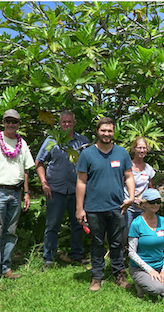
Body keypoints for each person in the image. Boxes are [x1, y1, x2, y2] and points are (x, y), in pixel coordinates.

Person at [76, 117, 135, 292]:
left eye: (109, 131)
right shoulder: (87, 154)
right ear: (97, 131)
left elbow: (129, 176)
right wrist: (80, 208)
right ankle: (97, 277)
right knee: (97, 243)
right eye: (103, 130)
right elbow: (80, 182)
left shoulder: (121, 153)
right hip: (94, 208)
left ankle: (119, 274)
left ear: (113, 132)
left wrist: (131, 197)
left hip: (117, 207)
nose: (107, 134)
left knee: (117, 243)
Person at [36, 111, 90, 267]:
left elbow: (88, 166)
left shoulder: (82, 141)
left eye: (69, 122)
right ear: (59, 124)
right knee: (52, 225)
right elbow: (38, 162)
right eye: (63, 122)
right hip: (55, 190)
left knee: (78, 224)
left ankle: (77, 255)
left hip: (76, 190)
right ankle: (49, 258)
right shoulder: (51, 140)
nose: (66, 124)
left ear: (74, 123)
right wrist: (44, 182)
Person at [0, 109, 34, 279]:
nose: (11, 124)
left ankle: (6, 268)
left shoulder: (22, 143)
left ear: (19, 124)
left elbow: (26, 170)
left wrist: (27, 193)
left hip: (16, 192)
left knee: (10, 232)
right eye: (8, 121)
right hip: (0, 191)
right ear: (3, 122)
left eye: (14, 121)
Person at [128, 189, 164, 298]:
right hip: (140, 268)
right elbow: (131, 252)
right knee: (157, 289)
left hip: (159, 267)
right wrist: (150, 271)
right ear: (144, 204)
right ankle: (140, 285)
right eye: (151, 202)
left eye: (158, 201)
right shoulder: (136, 223)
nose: (155, 204)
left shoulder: (163, 221)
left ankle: (156, 280)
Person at [124, 136, 155, 232]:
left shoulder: (149, 169)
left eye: (144, 148)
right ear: (134, 149)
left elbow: (150, 188)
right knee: (128, 233)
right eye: (139, 148)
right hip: (128, 208)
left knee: (141, 234)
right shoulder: (127, 167)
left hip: (143, 209)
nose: (142, 150)